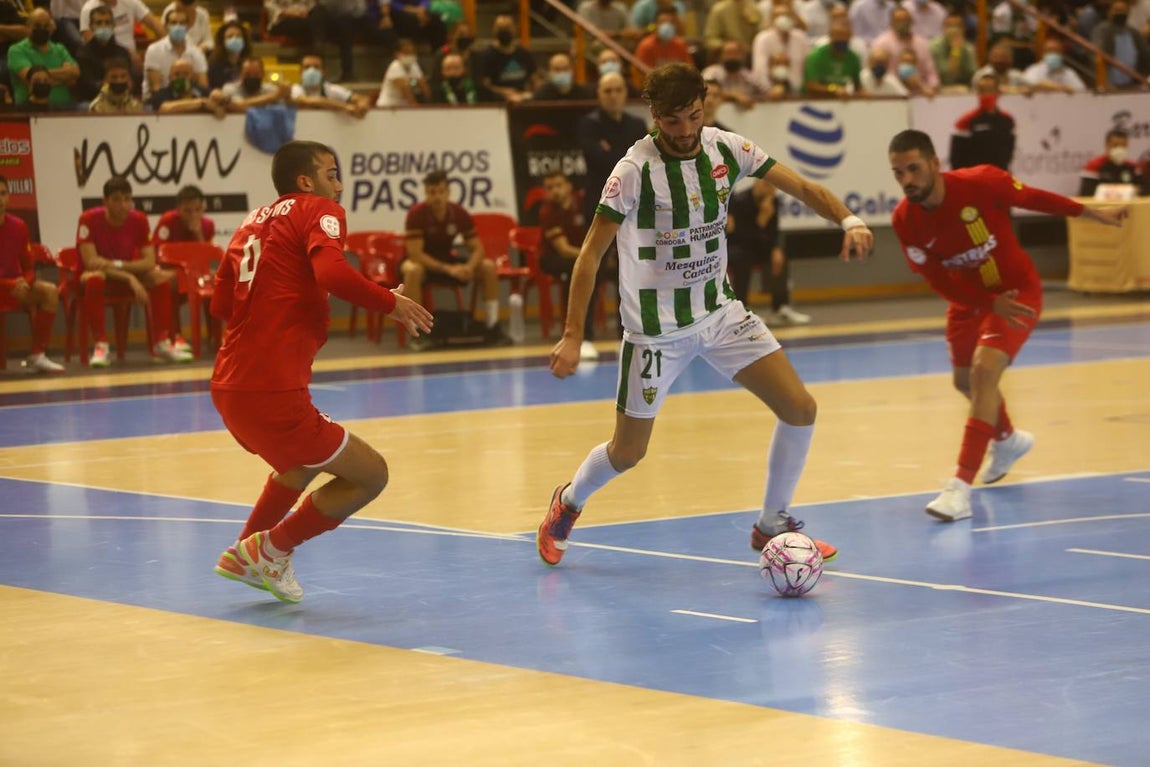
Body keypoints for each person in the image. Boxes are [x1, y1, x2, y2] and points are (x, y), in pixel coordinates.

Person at [537, 63, 873, 568]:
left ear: (705, 105)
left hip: (720, 314)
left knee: (800, 409)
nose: (686, 130)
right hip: (655, 333)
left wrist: (849, 219)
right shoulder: (633, 170)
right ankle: (568, 503)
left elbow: (801, 187)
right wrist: (571, 335)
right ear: (654, 116)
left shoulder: (726, 147)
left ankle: (772, 524)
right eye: (673, 122)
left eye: (694, 116)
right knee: (628, 453)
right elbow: (589, 255)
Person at [210, 140, 433, 603]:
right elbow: (331, 272)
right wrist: (390, 303)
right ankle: (270, 550)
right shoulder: (319, 209)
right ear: (306, 181)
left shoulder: (251, 223)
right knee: (371, 475)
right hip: (272, 389)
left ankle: (244, 552)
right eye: (332, 173)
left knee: (298, 465)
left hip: (230, 383)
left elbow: (220, 303)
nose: (340, 183)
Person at [887, 129, 1126, 522]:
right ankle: (1009, 439)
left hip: (1015, 294)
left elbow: (1034, 198)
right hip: (971, 300)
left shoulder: (982, 182)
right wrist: (983, 302)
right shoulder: (905, 220)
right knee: (964, 382)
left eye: (913, 168)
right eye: (898, 173)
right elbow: (939, 281)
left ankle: (959, 488)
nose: (907, 180)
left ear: (934, 164)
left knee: (984, 373)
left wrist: (1089, 213)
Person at [76, 176, 193, 367]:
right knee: (95, 277)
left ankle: (162, 343)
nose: (123, 205)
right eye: (116, 200)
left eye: (127, 199)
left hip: (122, 275)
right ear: (105, 202)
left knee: (160, 278)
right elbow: (91, 262)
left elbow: (149, 261)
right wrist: (129, 276)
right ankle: (101, 345)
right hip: (97, 280)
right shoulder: (88, 219)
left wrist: (120, 267)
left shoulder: (139, 219)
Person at [401, 170, 511, 350]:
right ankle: (416, 333)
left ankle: (493, 326)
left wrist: (469, 267)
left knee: (488, 266)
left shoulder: (458, 213)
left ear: (448, 192)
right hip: (421, 262)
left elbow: (478, 249)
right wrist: (449, 270)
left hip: (446, 258)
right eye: (432, 192)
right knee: (414, 270)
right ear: (426, 193)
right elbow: (415, 254)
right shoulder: (416, 214)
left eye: (441, 191)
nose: (437, 197)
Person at [0, 174, 64, 373]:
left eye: (2, 193)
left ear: (8, 197)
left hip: (15, 291)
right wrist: (11, 285)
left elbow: (29, 268)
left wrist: (25, 283)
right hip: (8, 287)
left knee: (49, 291)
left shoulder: (19, 226)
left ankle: (37, 354)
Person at [727, 176, 811, 324]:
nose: (768, 190)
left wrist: (777, 248)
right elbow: (739, 236)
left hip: (760, 246)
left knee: (779, 257)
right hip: (738, 247)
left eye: (772, 187)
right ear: (756, 184)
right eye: (765, 185)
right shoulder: (741, 201)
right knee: (743, 258)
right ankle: (742, 308)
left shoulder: (773, 202)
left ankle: (781, 307)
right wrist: (762, 220)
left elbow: (774, 231)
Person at [537, 169, 602, 361]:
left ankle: (624, 334)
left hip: (582, 256)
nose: (555, 191)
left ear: (568, 186)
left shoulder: (583, 204)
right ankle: (579, 335)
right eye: (549, 188)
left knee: (602, 270)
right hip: (553, 259)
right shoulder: (547, 211)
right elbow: (564, 249)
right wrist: (592, 258)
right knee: (577, 271)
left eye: (558, 185)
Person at [8, 8, 79, 108]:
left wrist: (42, 75)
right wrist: (63, 76)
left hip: (64, 108)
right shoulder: (16, 50)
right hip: (30, 109)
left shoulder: (60, 49)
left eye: (46, 26)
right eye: (37, 26)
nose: (42, 29)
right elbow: (32, 79)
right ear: (28, 26)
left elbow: (75, 73)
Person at [950, 74, 1015, 171]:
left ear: (998, 92)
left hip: (999, 175)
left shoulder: (1007, 120)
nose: (985, 94)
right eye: (982, 90)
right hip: (974, 177)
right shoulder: (965, 121)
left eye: (989, 90)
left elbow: (1008, 155)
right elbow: (956, 159)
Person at [142, 6, 207, 102]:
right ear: (166, 26)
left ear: (188, 26)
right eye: (173, 23)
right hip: (157, 102)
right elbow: (156, 88)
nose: (178, 26)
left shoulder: (196, 53)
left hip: (189, 101)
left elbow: (203, 86)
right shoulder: (154, 50)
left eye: (182, 23)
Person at [74, 3, 133, 102]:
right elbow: (87, 85)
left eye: (107, 22)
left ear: (113, 25)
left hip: (121, 100)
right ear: (91, 26)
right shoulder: (83, 54)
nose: (103, 26)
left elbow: (129, 82)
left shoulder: (123, 53)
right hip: (91, 102)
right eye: (99, 23)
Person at [291, 52, 369, 116]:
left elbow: (360, 98)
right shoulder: (295, 89)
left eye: (316, 67)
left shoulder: (330, 88)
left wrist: (362, 104)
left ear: (323, 71)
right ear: (300, 71)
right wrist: (345, 107)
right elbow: (308, 101)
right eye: (307, 67)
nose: (311, 71)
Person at [1079, 128, 1145, 196]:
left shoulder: (1133, 167)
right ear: (1106, 146)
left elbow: (1143, 191)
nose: (1119, 149)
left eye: (1123, 146)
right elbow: (1086, 193)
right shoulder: (1093, 166)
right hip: (1101, 206)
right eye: (1115, 146)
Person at [150, 57, 222, 114]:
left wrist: (223, 99)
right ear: (170, 77)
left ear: (193, 77)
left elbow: (217, 101)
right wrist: (201, 103)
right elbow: (165, 108)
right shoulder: (161, 93)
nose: (181, 78)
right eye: (177, 74)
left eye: (185, 74)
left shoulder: (202, 91)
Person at [375, 38, 429, 106]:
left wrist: (430, 102)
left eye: (412, 52)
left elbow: (424, 86)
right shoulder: (395, 67)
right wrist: (416, 108)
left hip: (404, 105)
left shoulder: (414, 65)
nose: (410, 55)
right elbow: (405, 90)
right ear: (397, 54)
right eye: (406, 53)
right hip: (388, 105)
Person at [1021, 37, 1086, 93]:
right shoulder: (1034, 70)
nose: (1053, 54)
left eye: (1056, 51)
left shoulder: (1068, 73)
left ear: (1062, 54)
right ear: (1043, 54)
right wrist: (1061, 88)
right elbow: (1028, 86)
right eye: (1050, 51)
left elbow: (1082, 91)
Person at [206, 19, 249, 90]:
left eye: (238, 36)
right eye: (230, 37)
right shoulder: (214, 64)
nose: (235, 39)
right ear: (222, 41)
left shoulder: (248, 62)